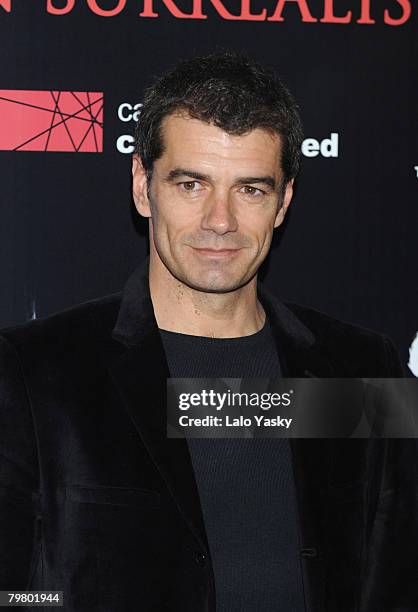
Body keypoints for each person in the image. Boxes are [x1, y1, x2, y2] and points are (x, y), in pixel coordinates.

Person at [0, 51, 416, 612]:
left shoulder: (364, 368)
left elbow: (394, 580)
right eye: (192, 184)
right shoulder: (38, 374)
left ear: (283, 202)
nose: (220, 221)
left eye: (250, 189)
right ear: (144, 189)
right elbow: (14, 590)